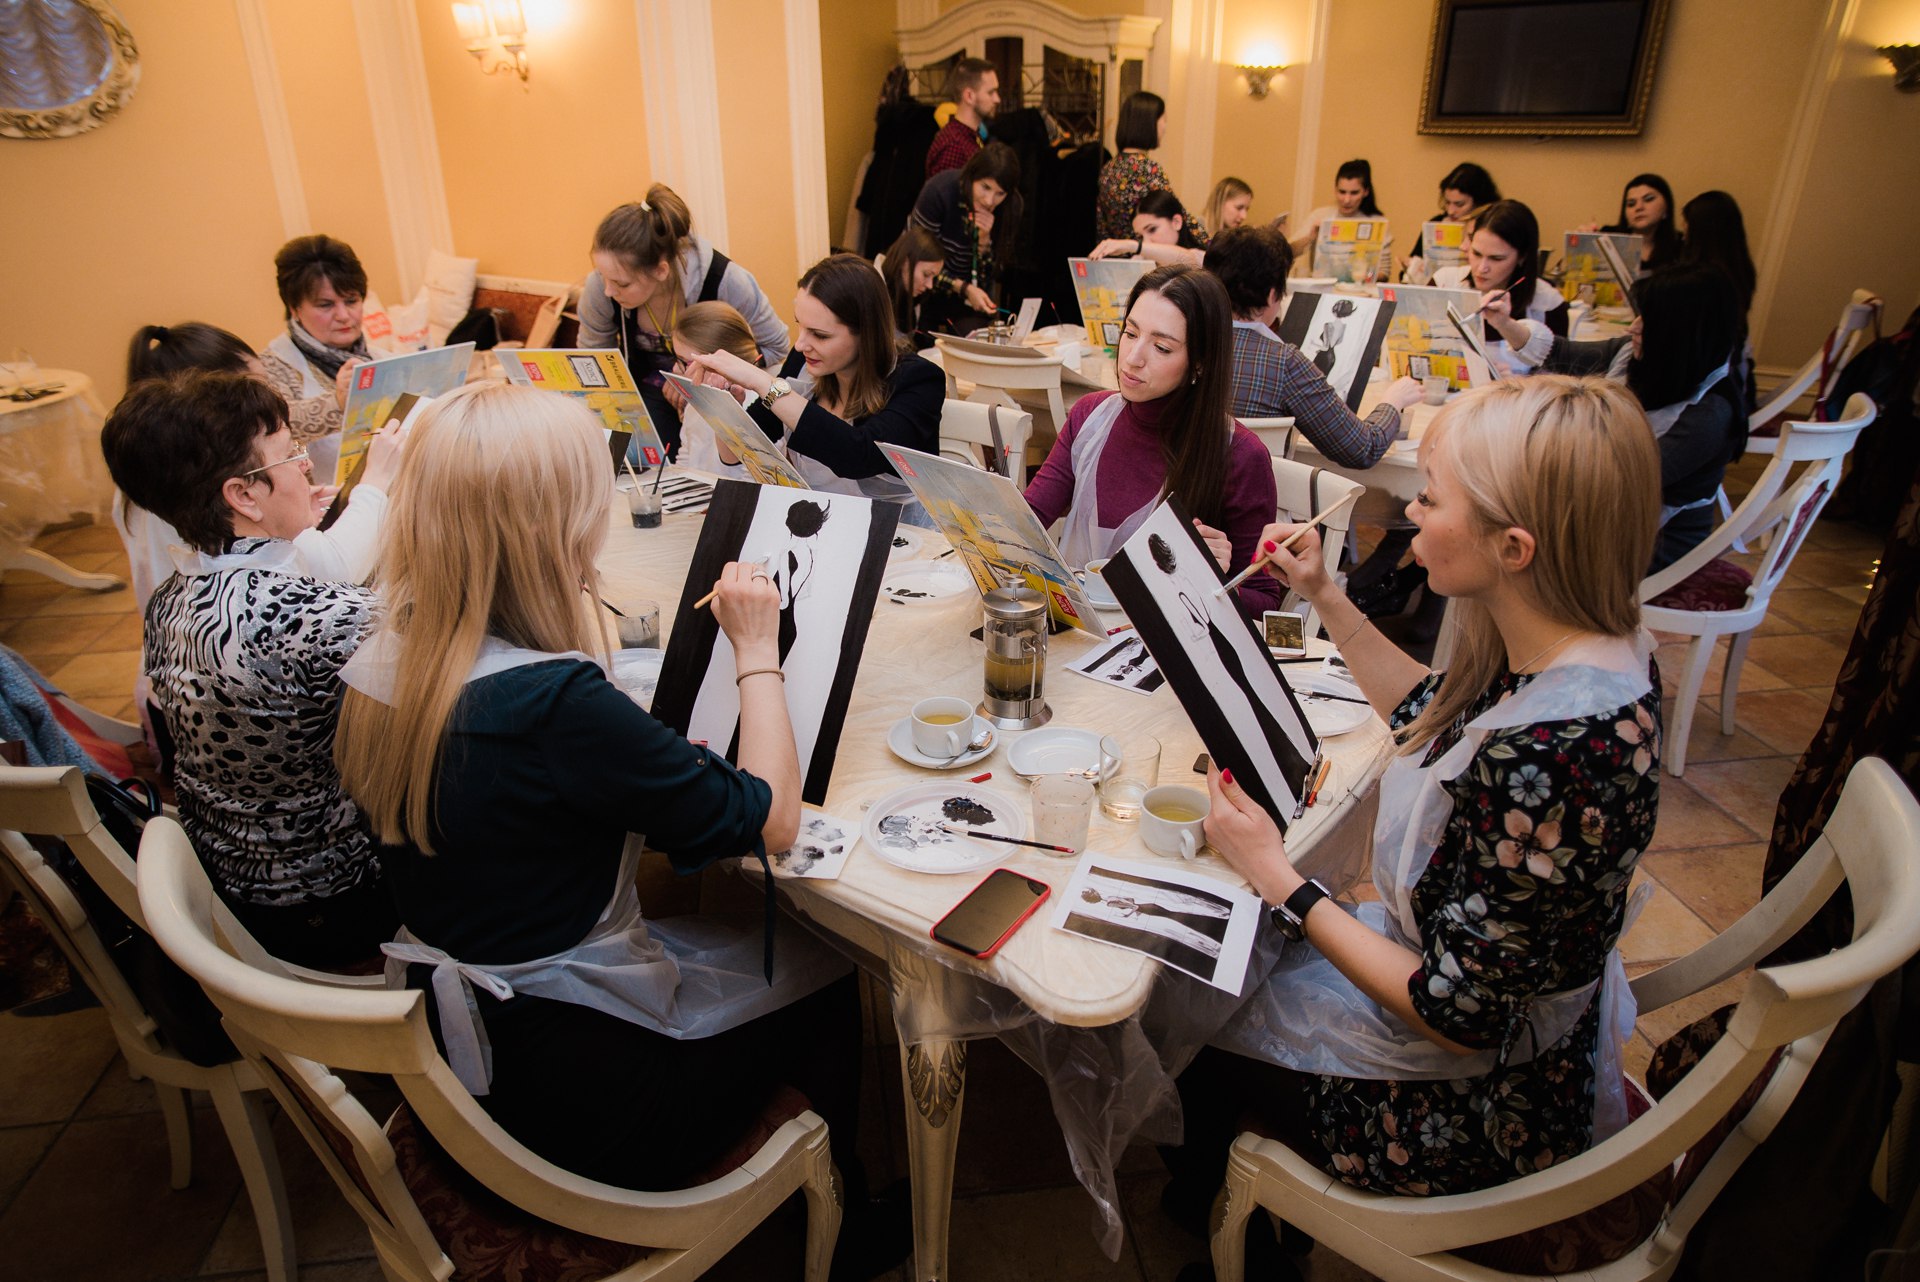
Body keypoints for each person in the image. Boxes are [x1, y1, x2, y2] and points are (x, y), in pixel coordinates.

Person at [328, 382, 886, 1266]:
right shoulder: (554, 704)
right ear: (552, 529)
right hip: (584, 1115)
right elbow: (774, 820)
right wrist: (756, 649)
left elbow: (525, 800)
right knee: (831, 968)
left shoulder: (380, 660)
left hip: (459, 1072)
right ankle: (845, 1234)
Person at [1163, 375, 1664, 1272]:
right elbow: (1435, 719)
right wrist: (1324, 594)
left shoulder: (1555, 754)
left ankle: (1240, 1228)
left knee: (1201, 1018)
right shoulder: (1583, 650)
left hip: (1485, 1109)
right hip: (1507, 1005)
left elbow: (1454, 1014)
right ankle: (1216, 1198)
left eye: (1430, 499)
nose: (1410, 513)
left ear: (1514, 548)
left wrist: (1279, 876)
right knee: (1232, 966)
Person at [100, 371, 405, 968]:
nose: (307, 466)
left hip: (235, 880)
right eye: (291, 454)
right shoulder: (309, 614)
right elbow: (445, 689)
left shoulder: (170, 599)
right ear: (243, 495)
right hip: (334, 897)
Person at [1023, 264, 1282, 619]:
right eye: (1130, 333)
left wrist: (1210, 580)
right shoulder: (1090, 415)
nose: (1133, 358)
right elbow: (1028, 520)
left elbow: (1265, 602)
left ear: (1200, 364)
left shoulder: (1239, 455)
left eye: (1161, 347)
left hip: (1160, 642)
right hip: (1074, 628)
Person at [1481, 261, 1746, 571]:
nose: (1633, 327)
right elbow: (1561, 355)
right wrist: (1504, 323)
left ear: (1682, 335)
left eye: (1649, 321)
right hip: (1608, 509)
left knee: (1502, 538)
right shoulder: (1646, 358)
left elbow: (1620, 478)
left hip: (1655, 540)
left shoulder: (1710, 414)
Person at [684, 253, 944, 521]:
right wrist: (725, 405)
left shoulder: (919, 380)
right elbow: (736, 454)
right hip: (821, 526)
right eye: (801, 327)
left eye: (820, 335)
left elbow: (857, 454)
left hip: (900, 533)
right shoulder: (804, 364)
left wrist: (762, 381)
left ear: (866, 334)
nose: (800, 345)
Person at [578, 185, 791, 459]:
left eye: (622, 284)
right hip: (645, 394)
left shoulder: (726, 280)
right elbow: (593, 359)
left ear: (660, 270)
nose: (608, 290)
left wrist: (715, 376)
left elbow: (776, 347)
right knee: (627, 457)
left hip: (719, 390)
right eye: (602, 277)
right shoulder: (600, 287)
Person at [1204, 225, 1422, 467]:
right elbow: (1362, 449)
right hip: (1259, 487)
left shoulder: (1184, 344)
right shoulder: (1284, 363)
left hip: (1182, 487)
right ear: (1272, 295)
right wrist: (1393, 401)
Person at [259, 234, 373, 482]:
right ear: (294, 309)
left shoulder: (377, 355)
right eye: (325, 305)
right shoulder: (272, 366)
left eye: (351, 301)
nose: (343, 315)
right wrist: (338, 402)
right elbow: (275, 430)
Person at [1432, 199, 1568, 376]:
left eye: (1496, 259)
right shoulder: (1444, 283)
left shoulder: (1547, 304)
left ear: (1522, 257)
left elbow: (1559, 380)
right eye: (1476, 253)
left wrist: (1517, 383)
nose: (1482, 268)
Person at [909, 141, 1023, 331]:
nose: (989, 201)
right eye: (985, 187)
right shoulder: (940, 191)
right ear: (972, 176)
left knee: (975, 337)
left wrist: (984, 241)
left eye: (1000, 193)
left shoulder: (1010, 207)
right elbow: (916, 258)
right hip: (925, 288)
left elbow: (994, 275)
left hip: (972, 299)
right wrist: (963, 288)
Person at [1097, 91, 1208, 246]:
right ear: (1148, 123)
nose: (1165, 127)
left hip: (1116, 254)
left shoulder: (1109, 169)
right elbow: (1176, 215)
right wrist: (1211, 244)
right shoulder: (1147, 169)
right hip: (1145, 254)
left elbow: (1101, 225)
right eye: (1164, 120)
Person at [1680, 190, 1759, 406]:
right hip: (1733, 376)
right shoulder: (1736, 270)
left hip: (1714, 387)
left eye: (1687, 226)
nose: (1684, 234)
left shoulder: (1707, 282)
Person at [666, 301, 764, 473]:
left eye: (684, 361)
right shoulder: (695, 401)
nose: (675, 368)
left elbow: (754, 476)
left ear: (717, 363)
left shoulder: (757, 408)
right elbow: (685, 460)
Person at [1403, 161, 1499, 282]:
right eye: (1447, 202)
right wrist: (1412, 267)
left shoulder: (1491, 227)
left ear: (1479, 202)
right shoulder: (1437, 223)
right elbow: (1412, 261)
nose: (1451, 211)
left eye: (1459, 204)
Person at [1291, 159, 1390, 266]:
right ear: (1335, 190)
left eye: (1354, 193)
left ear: (1366, 192)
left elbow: (1384, 269)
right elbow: (1287, 253)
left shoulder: (1377, 222)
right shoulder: (1320, 216)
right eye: (1342, 192)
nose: (1347, 200)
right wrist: (1309, 238)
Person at [924, 55, 1000, 177]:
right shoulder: (953, 146)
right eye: (991, 92)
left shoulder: (969, 136)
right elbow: (945, 189)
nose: (997, 99)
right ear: (969, 96)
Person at [1089, 189, 1206, 267]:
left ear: (1176, 222)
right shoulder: (1140, 260)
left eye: (1152, 229)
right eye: (1140, 236)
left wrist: (1131, 245)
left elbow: (1187, 260)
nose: (1146, 242)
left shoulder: (1201, 258)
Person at [1598, 173, 1682, 270]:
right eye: (1631, 204)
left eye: (1648, 199)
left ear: (1666, 207)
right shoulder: (1607, 238)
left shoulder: (1681, 246)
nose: (1639, 207)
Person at [879, 225, 945, 348]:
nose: (930, 285)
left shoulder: (918, 298)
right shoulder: (871, 290)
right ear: (905, 262)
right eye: (926, 274)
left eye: (934, 277)